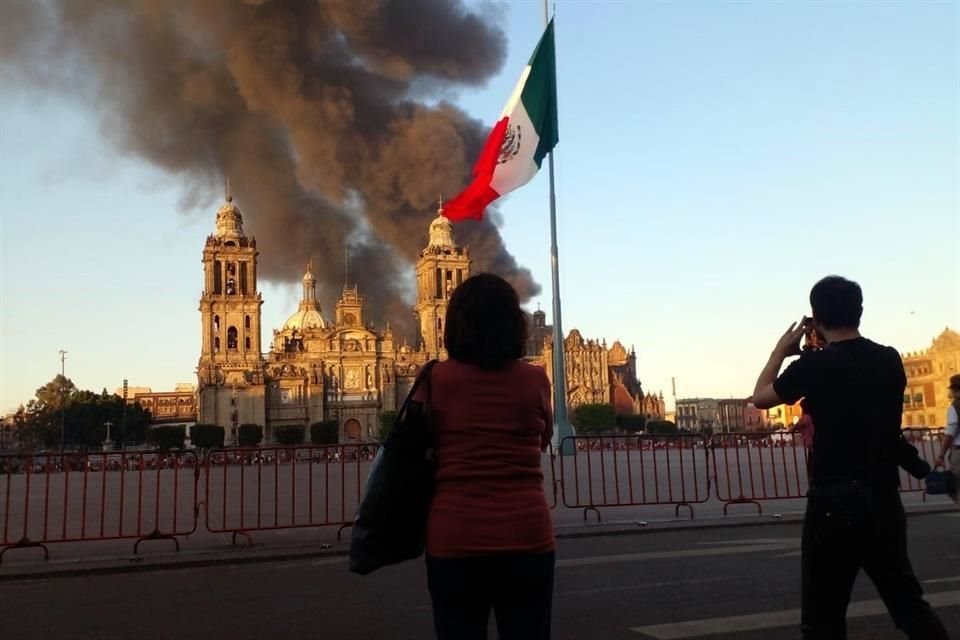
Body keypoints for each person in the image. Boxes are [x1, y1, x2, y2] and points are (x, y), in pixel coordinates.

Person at [750, 275, 949, 640]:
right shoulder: (890, 359)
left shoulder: (814, 365)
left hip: (833, 501)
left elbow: (760, 397)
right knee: (908, 603)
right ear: (859, 311)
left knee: (823, 615)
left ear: (815, 317)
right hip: (883, 498)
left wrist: (781, 349)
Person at [417, 273, 554, 640]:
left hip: (454, 536)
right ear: (515, 324)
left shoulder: (433, 379)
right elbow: (543, 440)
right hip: (527, 534)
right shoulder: (536, 380)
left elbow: (417, 447)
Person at [933, 374, 960, 504]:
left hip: (959, 453)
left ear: (956, 390)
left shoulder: (955, 407)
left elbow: (951, 433)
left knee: (954, 489)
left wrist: (941, 455)